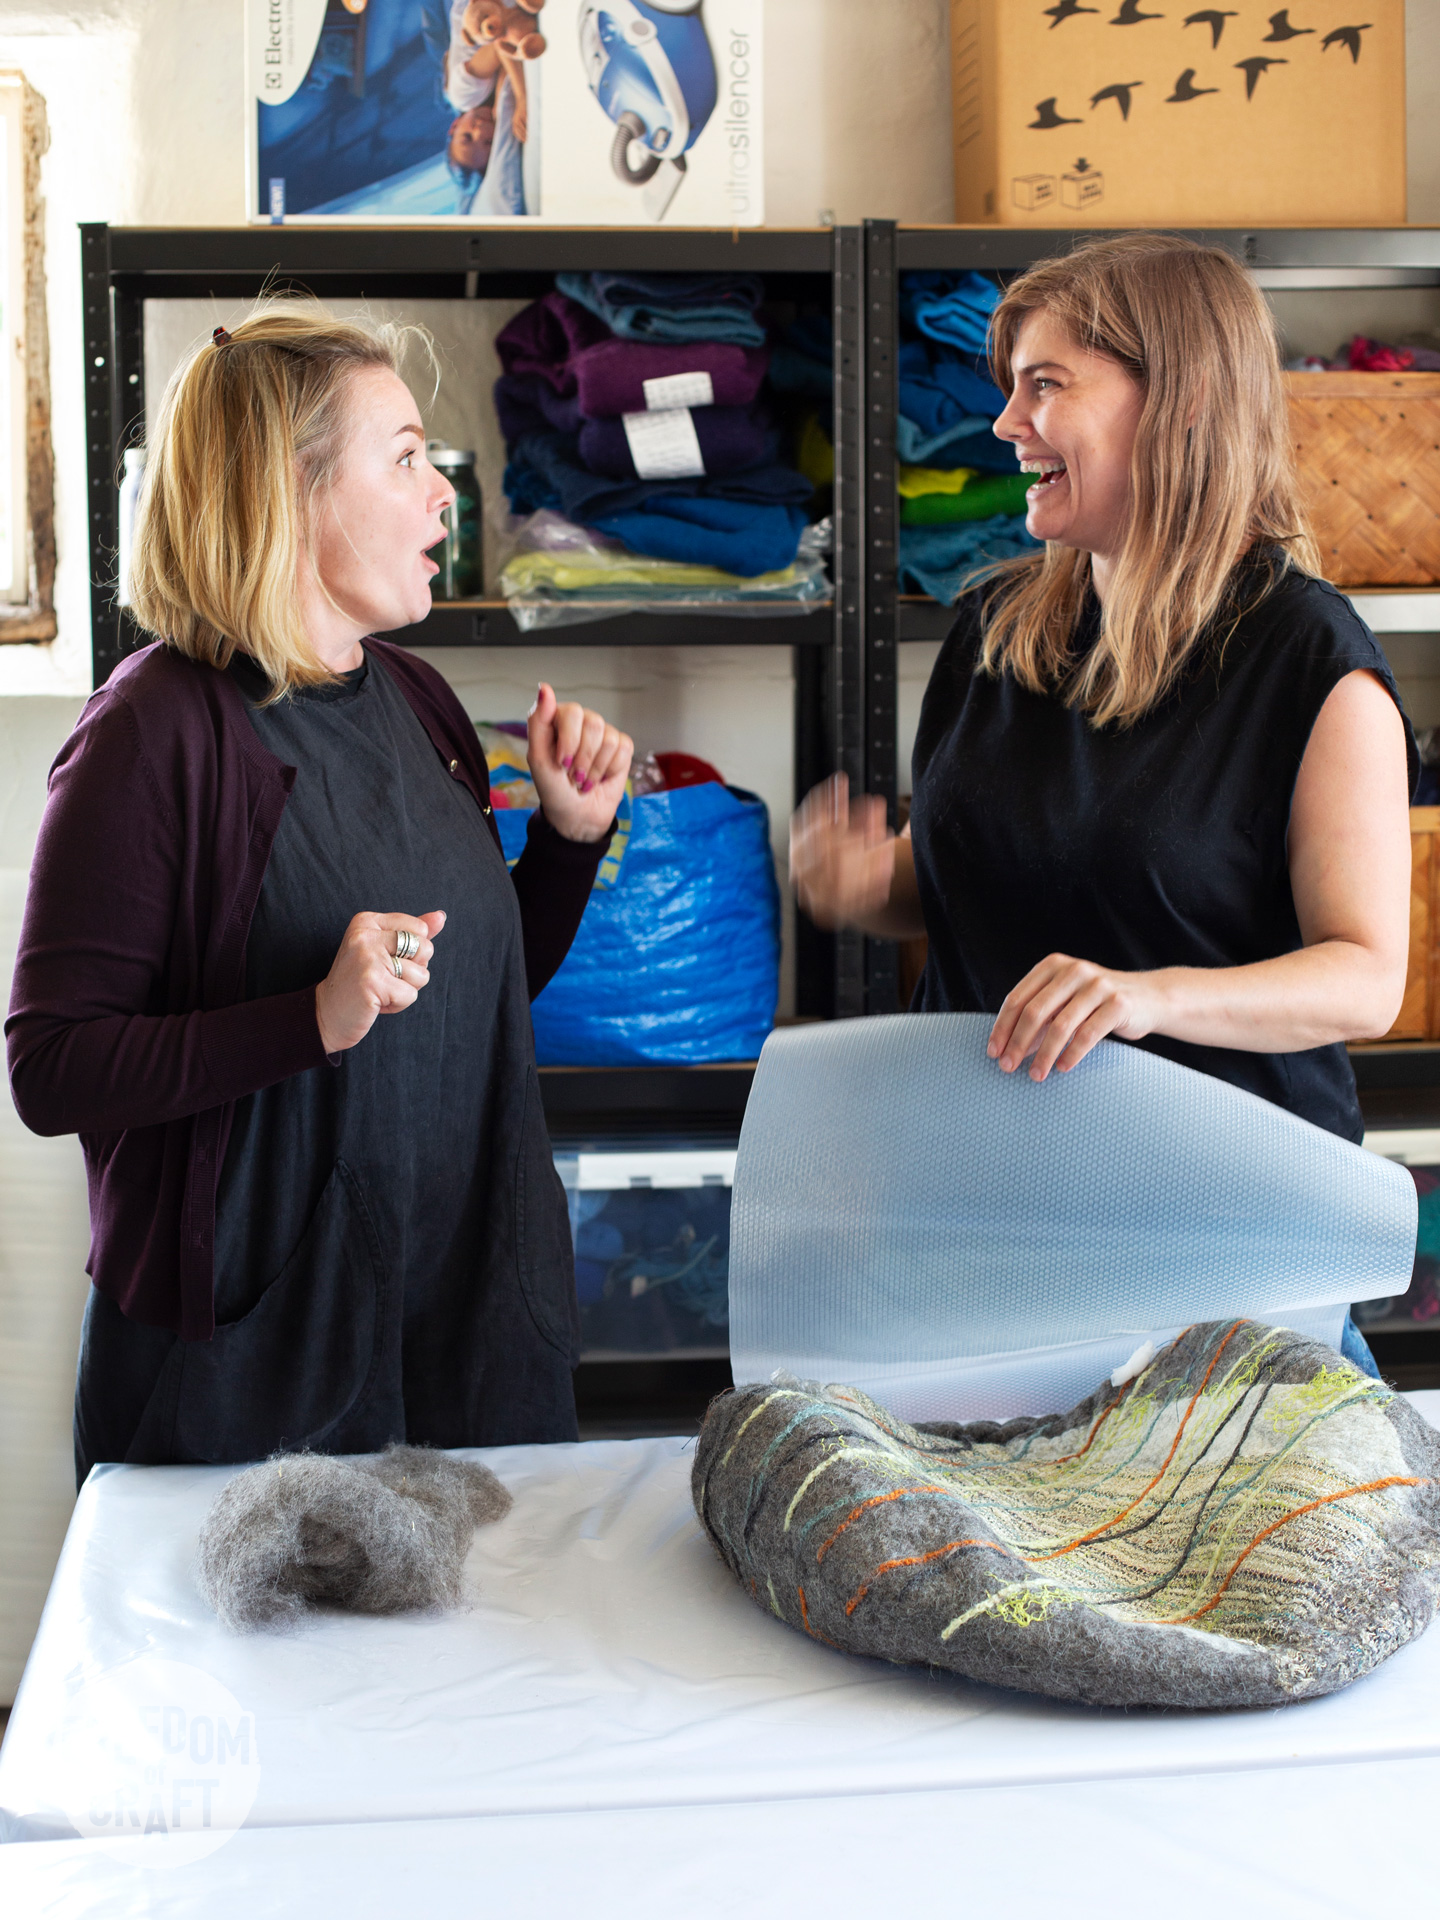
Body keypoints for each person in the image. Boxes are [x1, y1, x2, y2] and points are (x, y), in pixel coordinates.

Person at [6, 304, 633, 1482]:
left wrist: (568, 840)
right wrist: (310, 1018)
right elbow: (52, 1067)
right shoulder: (151, 735)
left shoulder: (421, 699)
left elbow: (466, 997)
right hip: (247, 1376)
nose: (446, 491)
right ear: (288, 492)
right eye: (403, 458)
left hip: (464, 1330)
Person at [790, 234, 1415, 1369]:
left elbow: (1365, 977)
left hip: (1230, 1259)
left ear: (1175, 403)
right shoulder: (993, 631)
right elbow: (964, 886)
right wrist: (865, 885)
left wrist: (1146, 999)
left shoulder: (1311, 663)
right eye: (1010, 388)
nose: (1005, 425)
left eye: (1046, 386)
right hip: (992, 1229)